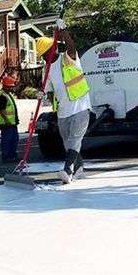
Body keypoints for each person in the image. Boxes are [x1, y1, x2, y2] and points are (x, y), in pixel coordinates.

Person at [36, 19, 91, 184]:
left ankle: (67, 170)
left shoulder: (67, 58)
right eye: (42, 56)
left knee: (75, 139)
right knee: (68, 144)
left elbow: (71, 47)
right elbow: (48, 89)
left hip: (80, 106)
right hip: (63, 111)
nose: (44, 57)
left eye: (46, 53)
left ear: (53, 49)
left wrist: (64, 31)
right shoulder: (47, 70)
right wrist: (42, 93)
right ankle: (79, 168)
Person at [0, 75, 19, 162]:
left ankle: (12, 155)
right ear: (5, 86)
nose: (12, 88)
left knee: (14, 139)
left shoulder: (7, 95)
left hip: (12, 122)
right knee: (7, 140)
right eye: (10, 86)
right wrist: (7, 121)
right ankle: (7, 156)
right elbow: (2, 111)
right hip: (6, 123)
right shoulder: (2, 96)